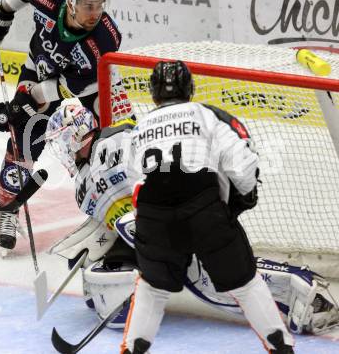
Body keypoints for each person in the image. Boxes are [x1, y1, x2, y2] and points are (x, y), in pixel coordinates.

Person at [44, 104, 339, 338]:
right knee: (213, 279)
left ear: (75, 133)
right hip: (162, 229)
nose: (61, 149)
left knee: (216, 280)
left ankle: (303, 290)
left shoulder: (115, 142)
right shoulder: (84, 184)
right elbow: (114, 224)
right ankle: (296, 293)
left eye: (62, 140)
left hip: (183, 211)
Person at [120, 60, 295, 353]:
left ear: (153, 93)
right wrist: (242, 199)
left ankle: (132, 351)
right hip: (203, 208)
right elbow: (241, 164)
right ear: (191, 89)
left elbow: (134, 183)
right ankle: (281, 348)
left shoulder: (139, 128)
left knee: (152, 288)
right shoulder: (207, 115)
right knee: (246, 284)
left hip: (154, 214)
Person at [0, 0, 121, 254]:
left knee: (105, 144)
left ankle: (110, 210)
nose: (95, 13)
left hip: (90, 89)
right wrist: (2, 11)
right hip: (38, 67)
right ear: (71, 0)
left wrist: (31, 97)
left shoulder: (103, 40)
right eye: (88, 6)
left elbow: (70, 89)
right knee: (23, 138)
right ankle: (8, 210)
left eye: (99, 5)